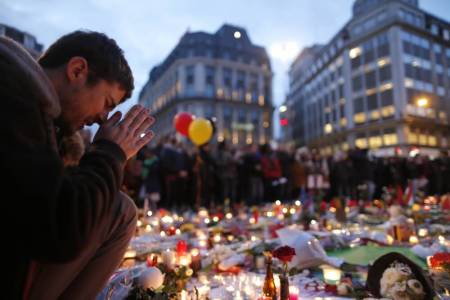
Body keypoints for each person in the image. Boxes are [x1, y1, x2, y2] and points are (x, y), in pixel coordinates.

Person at [0, 31, 155, 299]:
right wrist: (110, 153)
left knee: (120, 208)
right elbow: (60, 231)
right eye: (106, 103)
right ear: (77, 70)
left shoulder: (40, 114)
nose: (101, 119)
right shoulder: (12, 97)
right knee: (120, 212)